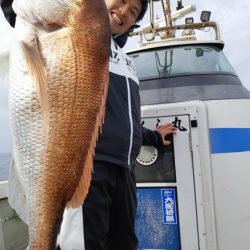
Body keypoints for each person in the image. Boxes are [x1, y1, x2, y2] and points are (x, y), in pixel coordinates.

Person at [57, 0, 177, 249]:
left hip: (124, 170)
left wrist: (155, 136)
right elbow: (25, 12)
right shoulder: (76, 36)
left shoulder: (127, 61)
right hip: (89, 169)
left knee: (123, 242)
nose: (124, 11)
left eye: (133, 11)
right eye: (121, 1)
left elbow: (125, 120)